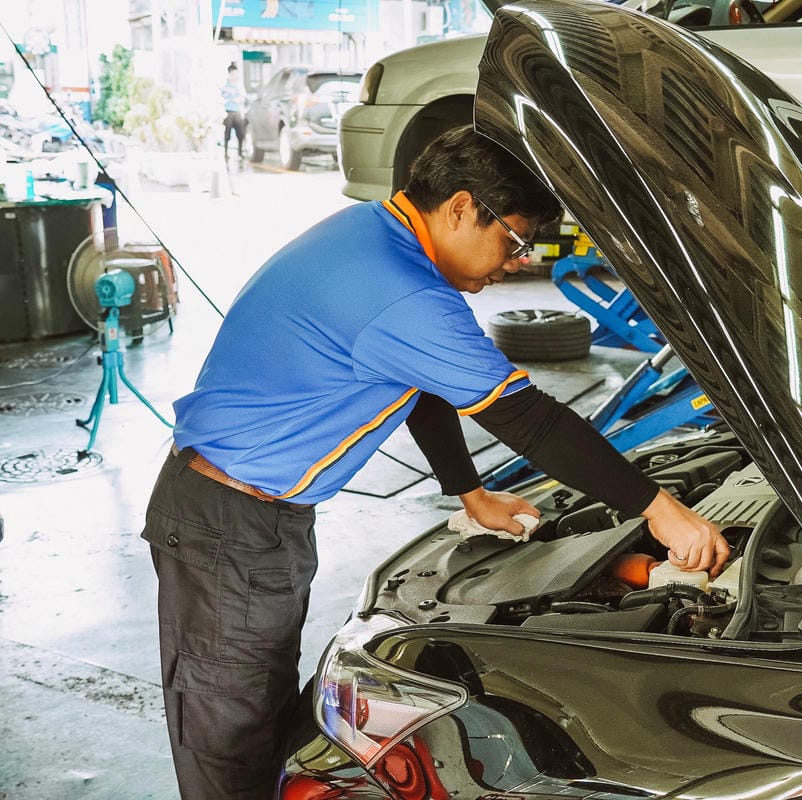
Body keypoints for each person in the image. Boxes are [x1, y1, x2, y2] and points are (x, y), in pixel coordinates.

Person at [142, 125, 730, 799]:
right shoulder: (403, 292)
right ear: (458, 207)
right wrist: (662, 512)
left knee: (259, 713)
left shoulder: (374, 236)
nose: (515, 262)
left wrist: (470, 492)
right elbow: (529, 419)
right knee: (230, 742)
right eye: (512, 240)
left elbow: (419, 383)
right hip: (230, 525)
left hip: (253, 517)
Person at [220, 63, 247, 160]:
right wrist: (231, 99)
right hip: (228, 111)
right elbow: (222, 97)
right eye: (233, 73)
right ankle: (225, 153)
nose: (234, 76)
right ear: (230, 73)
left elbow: (243, 96)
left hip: (237, 111)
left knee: (240, 133)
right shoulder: (225, 85)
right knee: (227, 133)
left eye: (236, 73)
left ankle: (240, 153)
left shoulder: (239, 85)